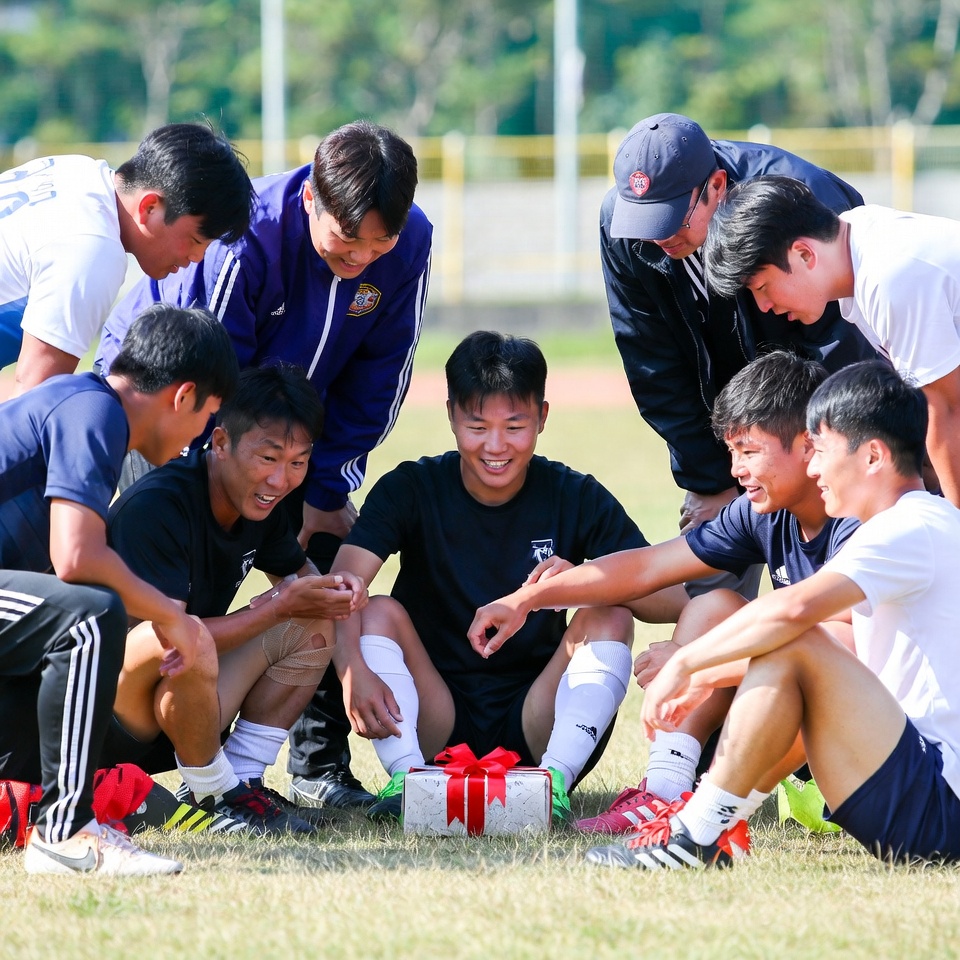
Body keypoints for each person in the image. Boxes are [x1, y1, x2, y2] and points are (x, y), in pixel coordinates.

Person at [97, 120, 433, 809]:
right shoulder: (248, 235)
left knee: (328, 553)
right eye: (349, 239)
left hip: (283, 433)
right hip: (179, 420)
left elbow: (383, 372)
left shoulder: (411, 242)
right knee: (174, 598)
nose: (364, 258)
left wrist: (323, 479)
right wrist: (224, 473)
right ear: (311, 197)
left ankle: (313, 768)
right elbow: (208, 372)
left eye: (382, 243)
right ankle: (121, 763)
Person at [583, 360, 960, 868]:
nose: (814, 468)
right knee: (794, 644)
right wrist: (706, 670)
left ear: (872, 456)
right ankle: (703, 830)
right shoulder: (902, 527)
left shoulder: (911, 526)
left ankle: (697, 834)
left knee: (798, 639)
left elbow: (796, 608)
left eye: (821, 451)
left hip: (938, 802)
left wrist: (686, 663)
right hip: (916, 784)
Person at [467, 350, 858, 834]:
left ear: (806, 444)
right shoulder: (763, 511)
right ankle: (665, 794)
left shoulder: (860, 517)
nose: (735, 470)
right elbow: (648, 566)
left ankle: (716, 808)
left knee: (750, 639)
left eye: (749, 451)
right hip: (822, 730)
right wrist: (526, 600)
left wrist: (692, 662)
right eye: (731, 451)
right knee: (715, 606)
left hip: (884, 739)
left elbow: (847, 646)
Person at [327, 331, 688, 823]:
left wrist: (581, 581)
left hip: (538, 722)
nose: (495, 446)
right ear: (451, 414)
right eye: (477, 425)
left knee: (608, 611)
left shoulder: (573, 494)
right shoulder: (410, 488)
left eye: (515, 425)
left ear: (542, 416)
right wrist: (353, 670)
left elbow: (668, 595)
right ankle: (409, 781)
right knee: (378, 609)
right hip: (436, 716)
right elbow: (342, 586)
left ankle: (554, 782)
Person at [0, 303, 238, 875]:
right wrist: (171, 616)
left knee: (62, 640)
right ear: (182, 397)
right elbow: (77, 556)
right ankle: (67, 835)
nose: (199, 438)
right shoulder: (93, 411)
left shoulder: (90, 411)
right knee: (88, 616)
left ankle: (50, 817)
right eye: (207, 417)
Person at [600, 112, 875, 596]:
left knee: (848, 591)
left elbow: (848, 353)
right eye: (645, 220)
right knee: (709, 590)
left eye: (671, 218)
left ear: (718, 186)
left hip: (827, 417)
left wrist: (834, 461)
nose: (656, 238)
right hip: (731, 429)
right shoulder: (624, 228)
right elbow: (652, 363)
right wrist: (711, 482)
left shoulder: (797, 199)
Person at [103, 364, 366, 835]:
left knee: (312, 622)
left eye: (298, 462)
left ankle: (240, 779)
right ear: (220, 443)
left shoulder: (262, 503)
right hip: (109, 711)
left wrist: (339, 596)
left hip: (187, 704)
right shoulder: (158, 506)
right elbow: (167, 637)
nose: (280, 480)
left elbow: (305, 586)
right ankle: (214, 794)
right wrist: (277, 604)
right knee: (182, 639)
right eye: (268, 458)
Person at [704, 174, 960, 509]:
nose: (764, 306)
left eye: (761, 287)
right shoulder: (855, 243)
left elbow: (947, 411)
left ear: (804, 254)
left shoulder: (888, 277)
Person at [0, 123, 254, 394]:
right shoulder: (93, 250)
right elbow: (32, 396)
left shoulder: (76, 170)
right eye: (195, 240)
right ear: (149, 207)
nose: (197, 257)